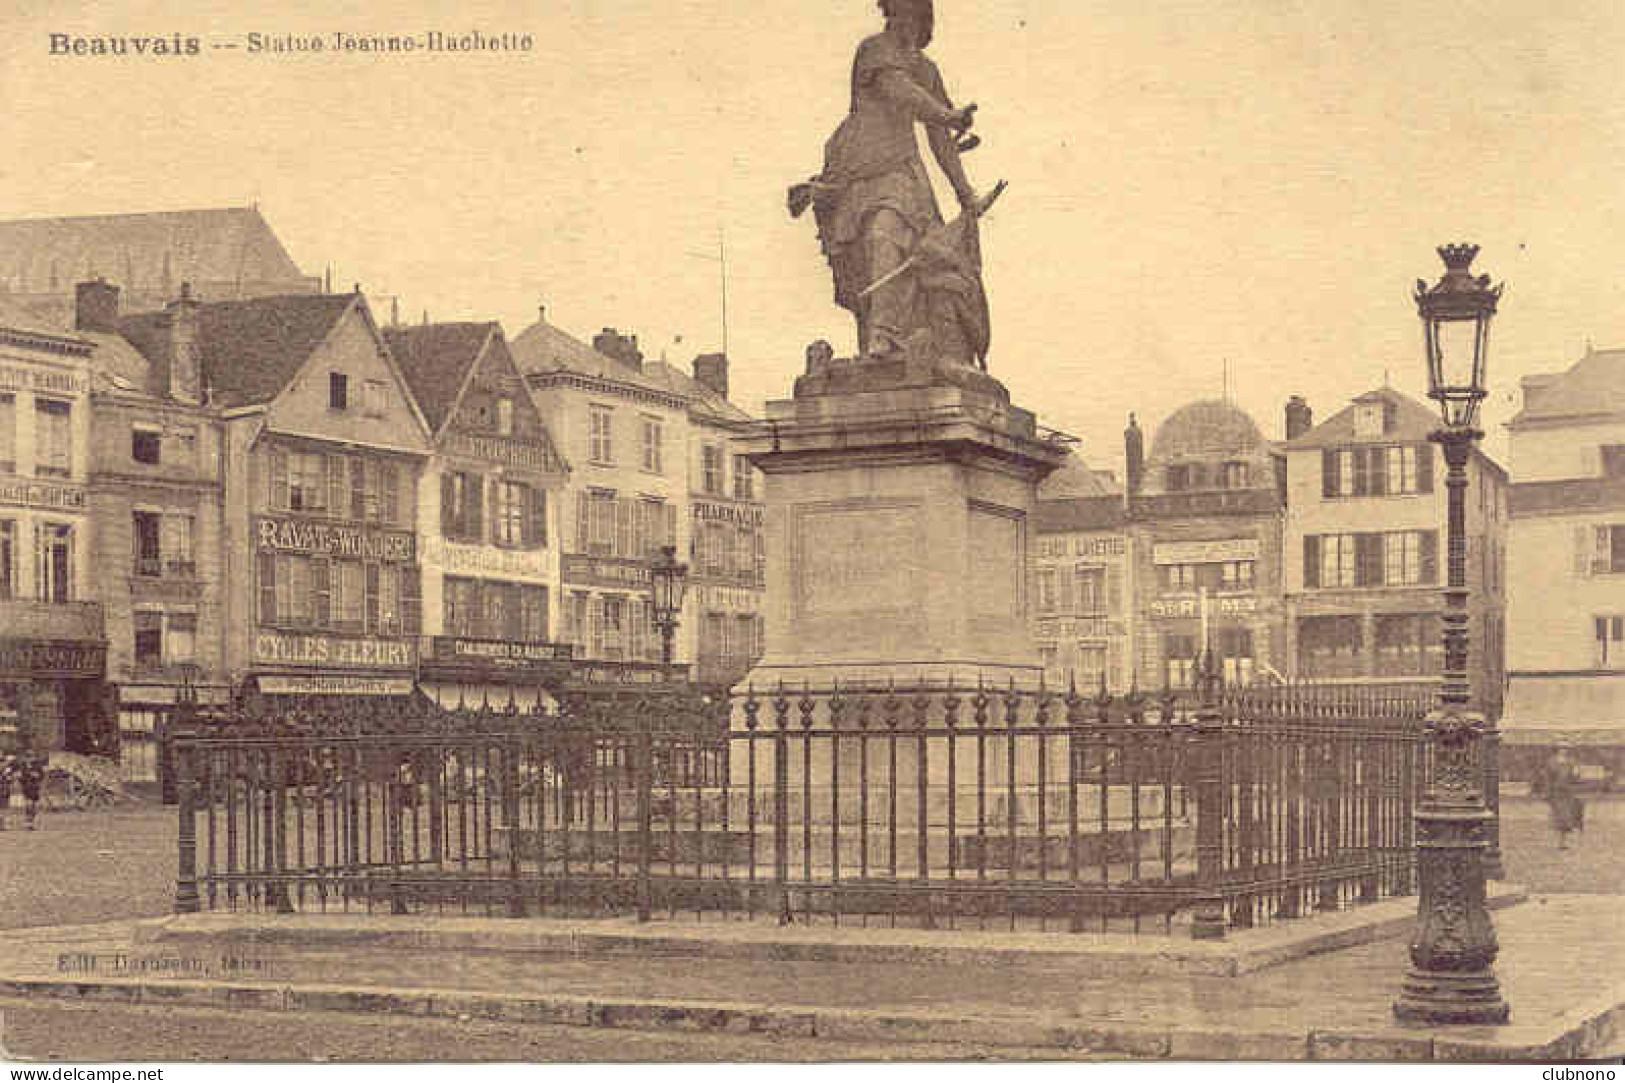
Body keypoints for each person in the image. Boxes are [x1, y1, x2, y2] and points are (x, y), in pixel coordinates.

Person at [790, 0, 992, 366]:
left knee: (891, 236)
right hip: (857, 163)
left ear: (922, 20)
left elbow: (941, 137)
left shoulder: (927, 70)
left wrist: (965, 193)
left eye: (911, 15)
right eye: (897, 12)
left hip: (900, 168)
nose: (903, 21)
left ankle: (887, 338)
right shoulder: (874, 50)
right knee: (863, 255)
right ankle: (876, 338)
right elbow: (898, 90)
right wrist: (947, 113)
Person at [1541, 746, 1584, 851]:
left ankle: (1563, 842)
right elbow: (1547, 779)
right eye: (1561, 748)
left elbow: (1575, 780)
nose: (1564, 750)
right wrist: (1547, 794)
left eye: (1566, 748)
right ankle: (1558, 842)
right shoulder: (1551, 762)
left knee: (1567, 817)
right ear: (1557, 749)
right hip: (1556, 793)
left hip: (1568, 793)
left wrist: (1577, 774)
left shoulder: (1571, 762)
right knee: (1560, 817)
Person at [16, 744, 45, 830]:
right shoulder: (23, 766)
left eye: (31, 756)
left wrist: (38, 776)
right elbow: (20, 777)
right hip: (27, 787)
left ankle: (31, 822)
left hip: (35, 787)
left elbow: (42, 775)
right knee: (29, 805)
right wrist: (25, 777)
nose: (30, 758)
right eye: (28, 756)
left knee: (34, 806)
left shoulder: (37, 765)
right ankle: (28, 823)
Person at [0, 750, 14, 831]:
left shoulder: (7, 766)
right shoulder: (6, 765)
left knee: (5, 806)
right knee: (4, 807)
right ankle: (3, 824)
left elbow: (9, 777)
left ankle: (4, 824)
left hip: (4, 788)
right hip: (3, 787)